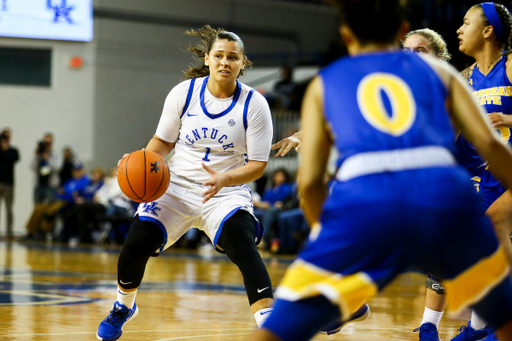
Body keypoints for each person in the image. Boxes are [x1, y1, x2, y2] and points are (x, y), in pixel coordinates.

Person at [247, 0, 512, 340]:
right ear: (402, 31)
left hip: (367, 203)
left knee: (273, 334)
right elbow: (490, 145)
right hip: (444, 198)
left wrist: (325, 235)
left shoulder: (326, 82)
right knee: (504, 320)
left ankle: (354, 301)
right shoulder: (445, 74)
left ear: (345, 35)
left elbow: (310, 182)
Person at [96, 25, 274, 341]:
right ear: (207, 59)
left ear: (242, 63)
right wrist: (140, 161)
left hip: (226, 192)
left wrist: (227, 178)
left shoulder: (255, 104)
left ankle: (270, 324)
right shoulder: (185, 93)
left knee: (245, 249)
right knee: (135, 243)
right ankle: (124, 307)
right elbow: (162, 143)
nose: (225, 62)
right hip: (175, 186)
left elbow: (259, 166)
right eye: (219, 56)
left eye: (232, 57)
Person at [411, 4, 512, 341]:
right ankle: (470, 328)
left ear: (488, 31)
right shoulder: (466, 78)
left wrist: (508, 119)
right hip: (490, 176)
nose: (458, 29)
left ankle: (483, 327)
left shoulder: (510, 66)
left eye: (466, 23)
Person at [0, 128, 19, 241]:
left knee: (9, 209)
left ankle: (9, 232)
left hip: (8, 184)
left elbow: (16, 158)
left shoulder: (13, 150)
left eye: (8, 136)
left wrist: (6, 149)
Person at [32, 133, 60, 204]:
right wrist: (37, 156)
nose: (47, 145)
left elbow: (57, 168)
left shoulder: (56, 154)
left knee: (49, 209)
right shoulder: (39, 154)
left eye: (49, 143)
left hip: (50, 185)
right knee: (38, 208)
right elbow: (32, 167)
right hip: (39, 185)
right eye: (45, 143)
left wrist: (48, 159)